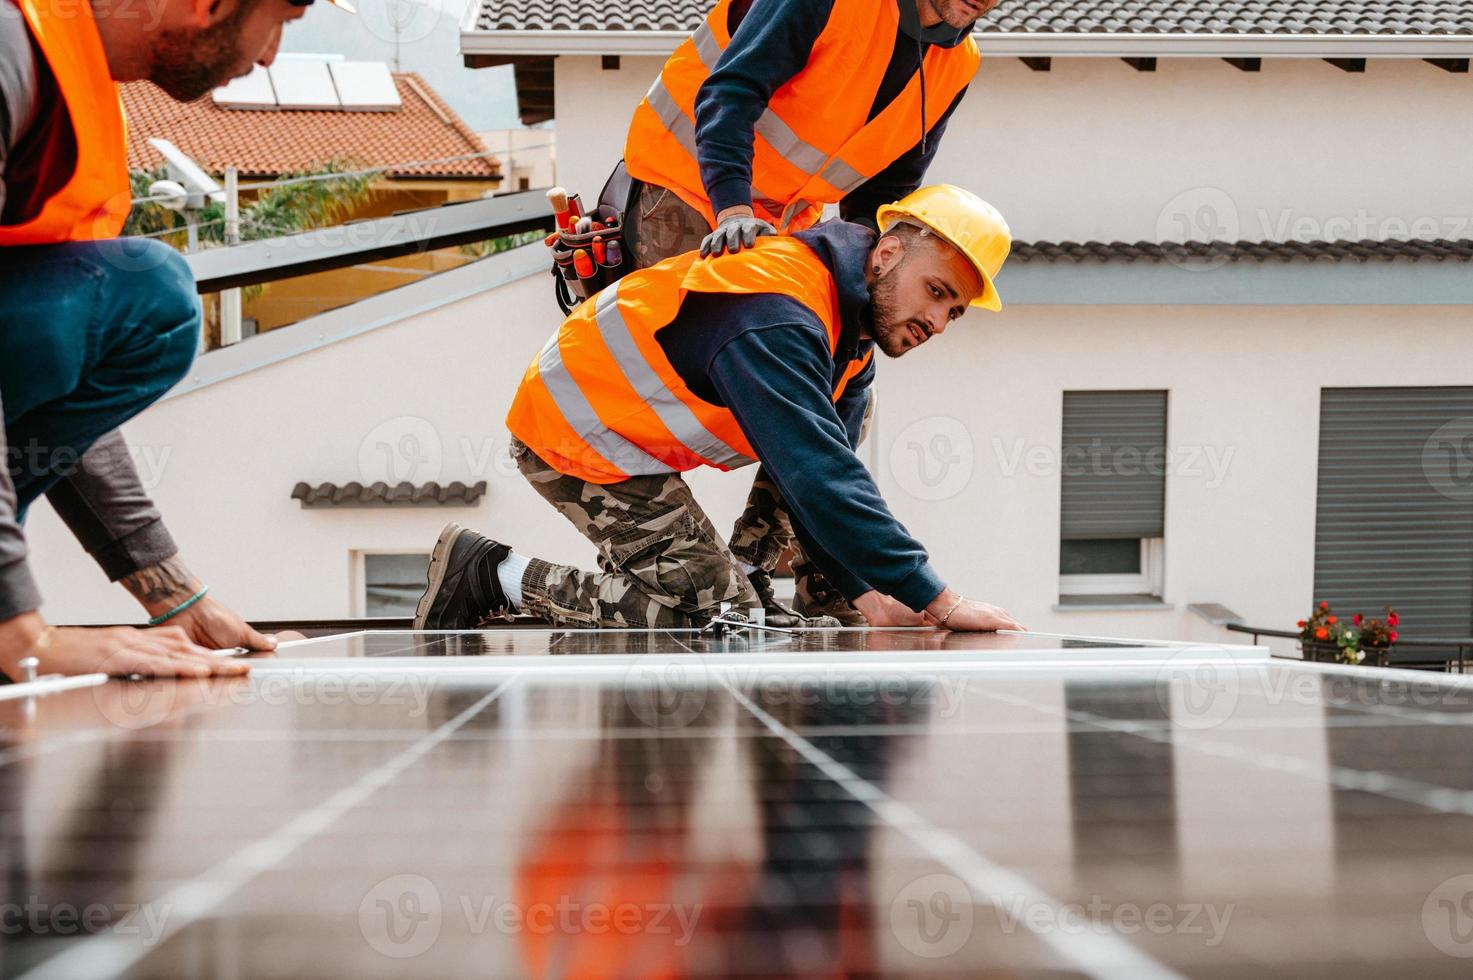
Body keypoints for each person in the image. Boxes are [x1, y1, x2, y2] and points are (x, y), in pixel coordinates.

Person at [414, 185, 1023, 636]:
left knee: (842, 428)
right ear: (887, 253)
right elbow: (818, 477)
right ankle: (492, 573)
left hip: (638, 435)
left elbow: (819, 476)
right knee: (722, 621)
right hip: (577, 430)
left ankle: (741, 572)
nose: (938, 322)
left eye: (955, 312)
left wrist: (872, 598)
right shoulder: (779, 311)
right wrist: (935, 598)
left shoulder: (852, 341)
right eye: (937, 292)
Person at [0, 0, 350, 680]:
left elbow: (66, 354)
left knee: (138, 306)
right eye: (281, 19)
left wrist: (170, 593)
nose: (272, 54)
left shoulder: (69, 78)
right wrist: (20, 632)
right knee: (152, 293)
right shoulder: (7, 45)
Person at [619, 0, 998, 627]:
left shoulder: (957, 60)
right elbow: (731, 90)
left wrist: (859, 289)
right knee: (776, 401)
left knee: (838, 391)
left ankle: (795, 574)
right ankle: (708, 575)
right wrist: (733, 208)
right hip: (694, 191)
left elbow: (884, 189)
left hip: (779, 224)